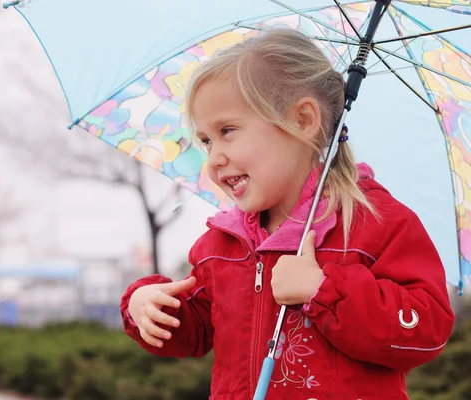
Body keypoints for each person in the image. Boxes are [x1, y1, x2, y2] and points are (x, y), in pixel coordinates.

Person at [120, 28, 455, 399]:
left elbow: (426, 332)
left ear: (302, 120)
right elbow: (196, 329)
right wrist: (147, 306)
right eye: (206, 140)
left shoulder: (375, 224)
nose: (214, 157)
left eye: (228, 130)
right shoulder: (222, 244)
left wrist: (323, 291)